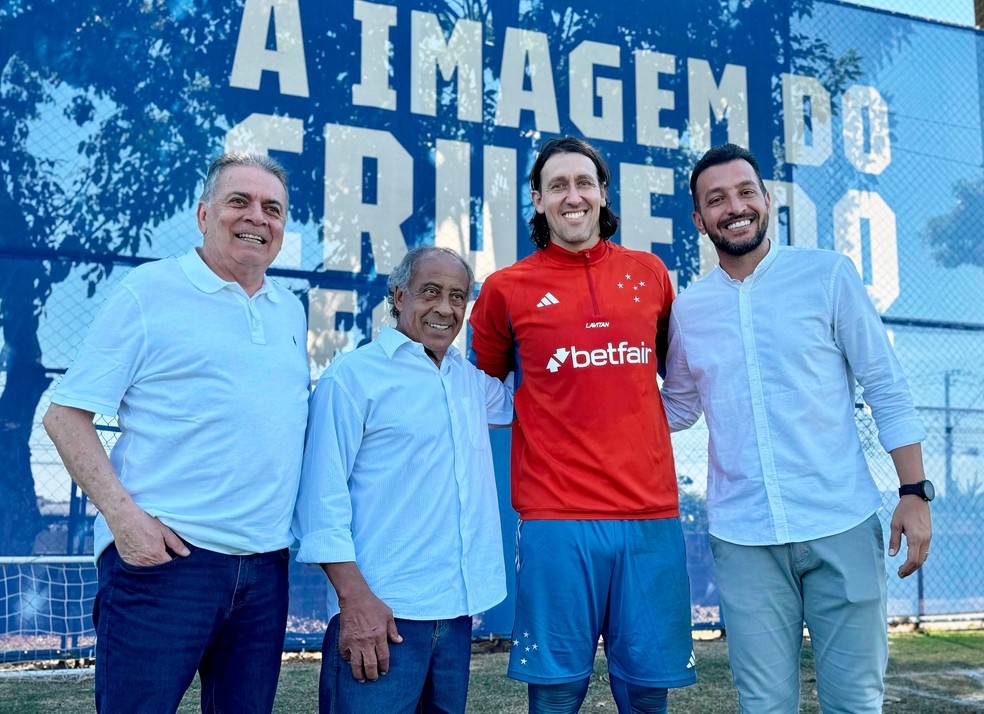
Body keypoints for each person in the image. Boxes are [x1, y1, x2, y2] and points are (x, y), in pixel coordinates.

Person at [661, 142, 933, 713]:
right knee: (763, 706)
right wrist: (590, 397)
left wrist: (913, 493)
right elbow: (677, 409)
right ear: (699, 219)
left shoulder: (829, 275)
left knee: (855, 704)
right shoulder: (688, 310)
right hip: (744, 536)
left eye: (744, 192)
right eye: (716, 199)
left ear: (765, 200)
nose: (733, 207)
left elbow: (885, 386)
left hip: (841, 520)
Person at [42, 153, 310, 713]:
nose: (257, 218)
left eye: (272, 208)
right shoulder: (149, 292)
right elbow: (65, 417)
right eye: (239, 201)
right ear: (203, 213)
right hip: (166, 564)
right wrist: (125, 521)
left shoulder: (288, 310)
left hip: (264, 571)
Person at [469, 136, 696, 714]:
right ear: (539, 200)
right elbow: (489, 389)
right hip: (556, 517)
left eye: (584, 183)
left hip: (650, 517)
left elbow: (673, 374)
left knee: (646, 692)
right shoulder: (504, 289)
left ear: (602, 193)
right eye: (558, 186)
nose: (573, 196)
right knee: (556, 692)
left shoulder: (650, 274)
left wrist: (641, 430)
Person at [293, 246, 513, 714]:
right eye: (430, 292)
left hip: (454, 619)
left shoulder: (470, 383)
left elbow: (541, 394)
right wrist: (356, 602)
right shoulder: (352, 378)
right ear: (399, 294)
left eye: (458, 297)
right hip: (382, 616)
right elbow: (319, 505)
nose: (445, 308)